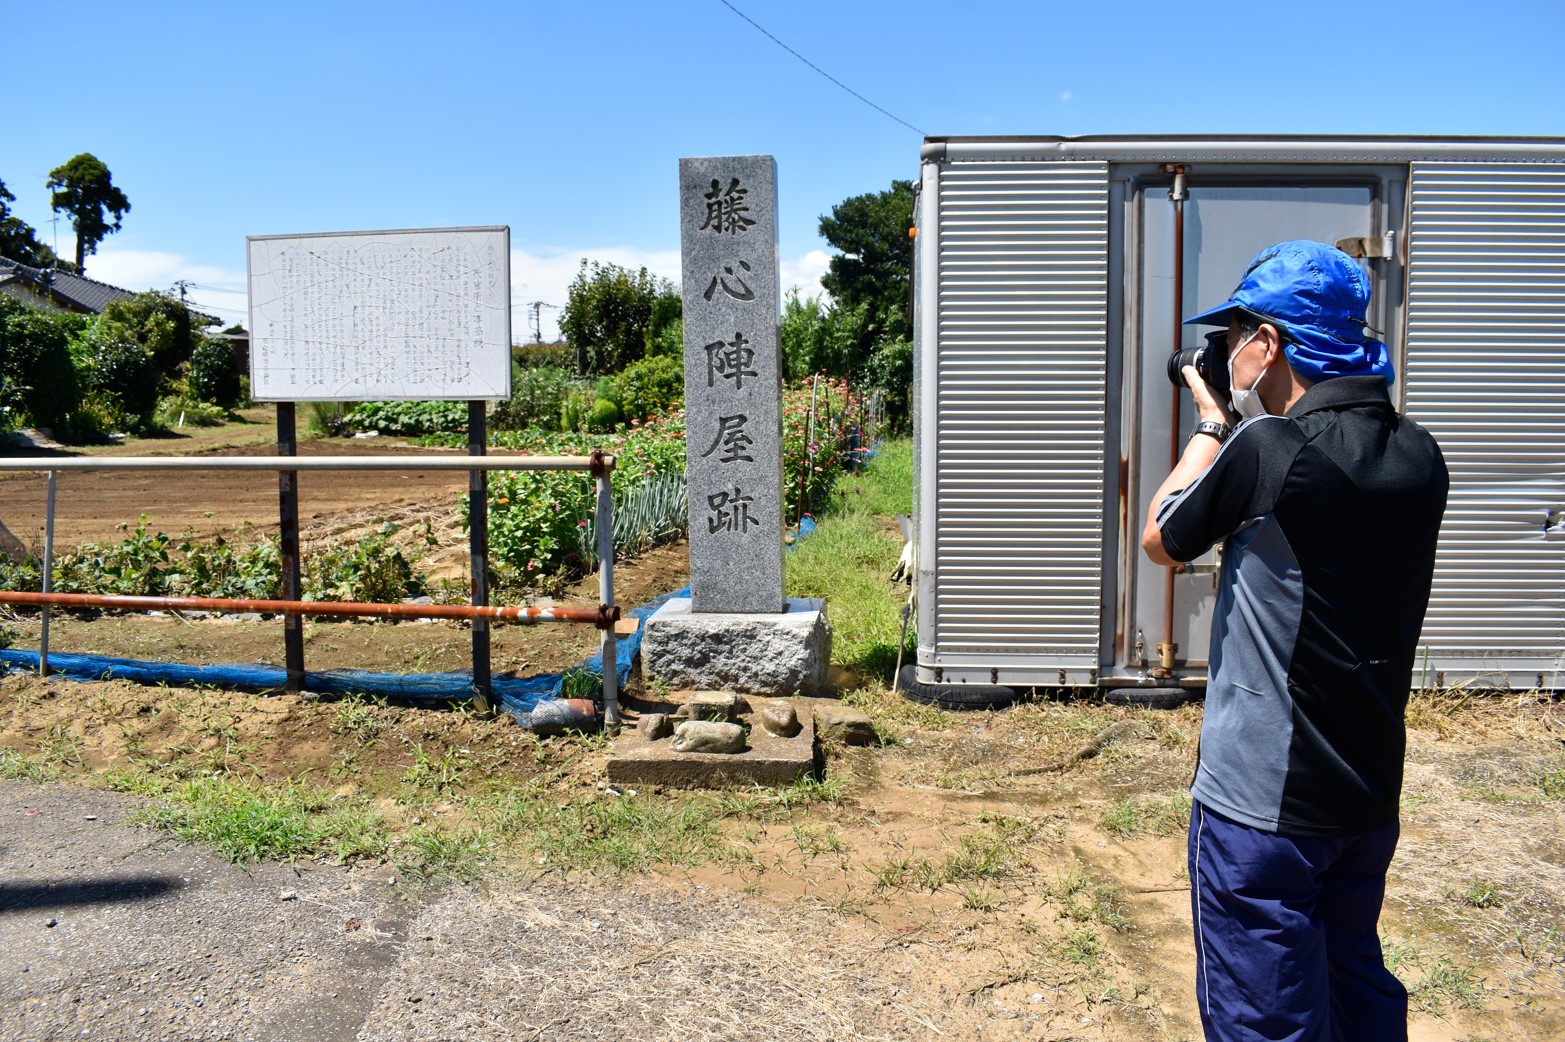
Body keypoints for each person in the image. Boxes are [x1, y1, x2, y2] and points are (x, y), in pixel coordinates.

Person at [1140, 240, 1448, 1042]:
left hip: (1260, 804)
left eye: (1237, 333)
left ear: (1269, 343)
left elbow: (1162, 540)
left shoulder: (1271, 448)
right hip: (1366, 788)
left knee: (1265, 1015)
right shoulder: (1419, 454)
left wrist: (1211, 420)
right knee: (1353, 982)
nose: (1229, 351)